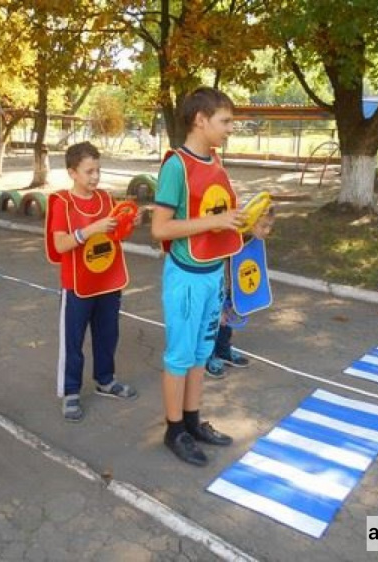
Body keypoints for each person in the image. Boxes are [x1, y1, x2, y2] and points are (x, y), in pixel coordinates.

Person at [151, 87, 244, 466]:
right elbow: (160, 229)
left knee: (201, 354)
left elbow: (220, 219)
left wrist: (249, 225)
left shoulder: (217, 163)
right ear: (200, 120)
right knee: (180, 356)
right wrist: (216, 221)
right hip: (186, 278)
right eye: (225, 122)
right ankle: (174, 431)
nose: (229, 129)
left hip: (211, 276)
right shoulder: (176, 166)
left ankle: (192, 421)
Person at [45, 141, 138, 422]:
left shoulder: (106, 199)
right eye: (89, 172)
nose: (95, 177)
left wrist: (130, 220)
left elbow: (117, 236)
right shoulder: (62, 202)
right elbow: (60, 245)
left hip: (108, 282)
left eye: (98, 170)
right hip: (77, 285)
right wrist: (89, 230)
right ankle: (71, 391)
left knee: (107, 334)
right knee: (73, 340)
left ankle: (106, 380)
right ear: (72, 173)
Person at [206, 209, 276, 379]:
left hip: (231, 291)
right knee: (212, 325)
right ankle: (207, 358)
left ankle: (223, 351)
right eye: (264, 226)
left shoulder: (249, 243)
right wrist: (217, 307)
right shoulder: (229, 243)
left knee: (226, 325)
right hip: (217, 292)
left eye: (270, 227)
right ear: (250, 222)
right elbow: (216, 275)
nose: (267, 231)